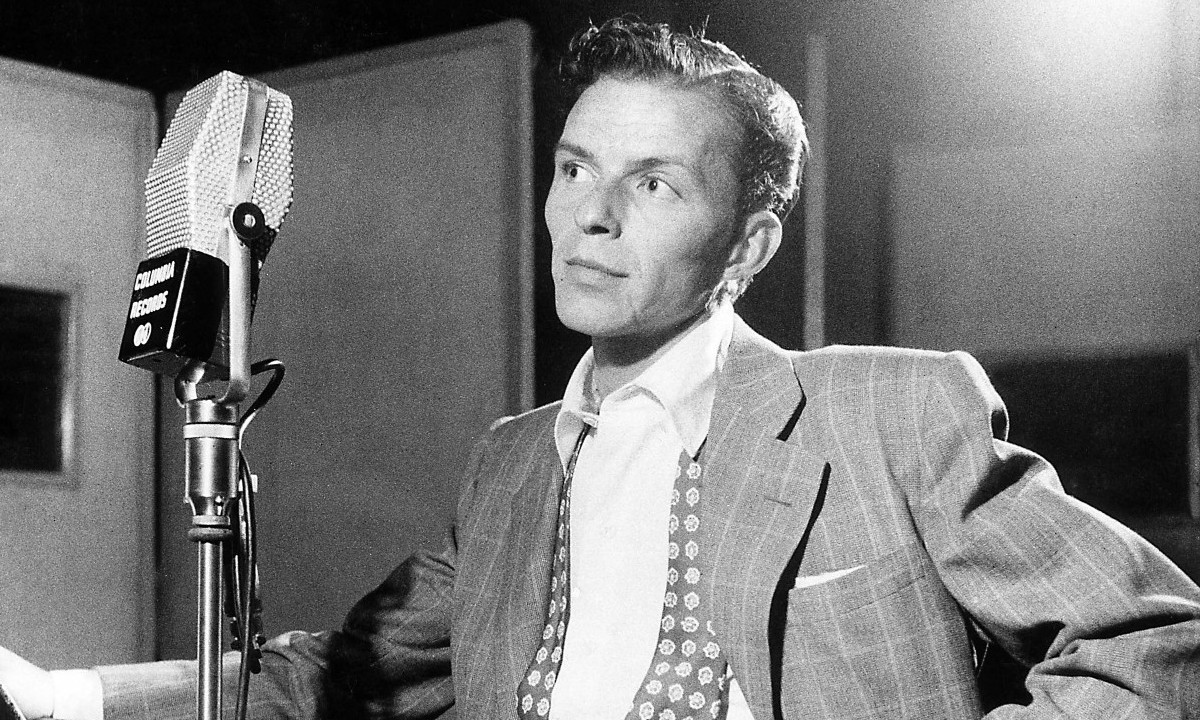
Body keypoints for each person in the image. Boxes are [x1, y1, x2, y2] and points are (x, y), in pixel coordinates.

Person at [4, 16, 1200, 720]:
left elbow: (1150, 645)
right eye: (575, 168)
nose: (591, 214)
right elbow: (348, 673)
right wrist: (61, 699)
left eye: (654, 184)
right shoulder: (511, 464)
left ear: (750, 245)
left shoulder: (887, 411)